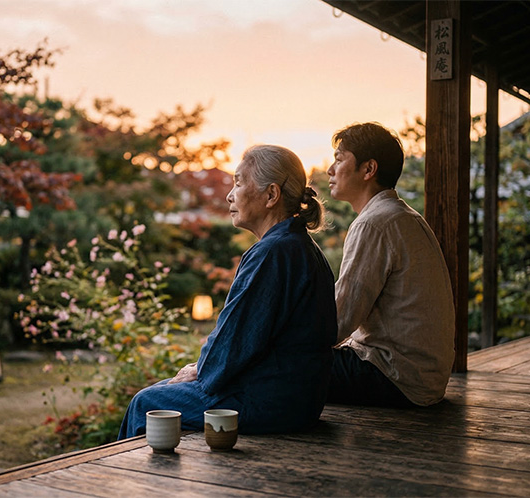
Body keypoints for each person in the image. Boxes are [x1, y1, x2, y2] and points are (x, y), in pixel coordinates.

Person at [118, 144, 338, 439]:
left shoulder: (273, 252)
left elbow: (235, 340)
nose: (229, 195)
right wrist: (203, 369)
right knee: (161, 391)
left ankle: (127, 484)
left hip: (272, 403)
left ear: (271, 195)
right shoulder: (297, 246)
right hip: (299, 399)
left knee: (145, 403)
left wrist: (200, 369)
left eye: (238, 182)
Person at [325, 122, 455, 407]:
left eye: (338, 159)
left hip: (394, 377)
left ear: (368, 169)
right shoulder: (401, 216)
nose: (329, 171)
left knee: (281, 362)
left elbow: (338, 322)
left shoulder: (373, 223)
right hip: (422, 378)